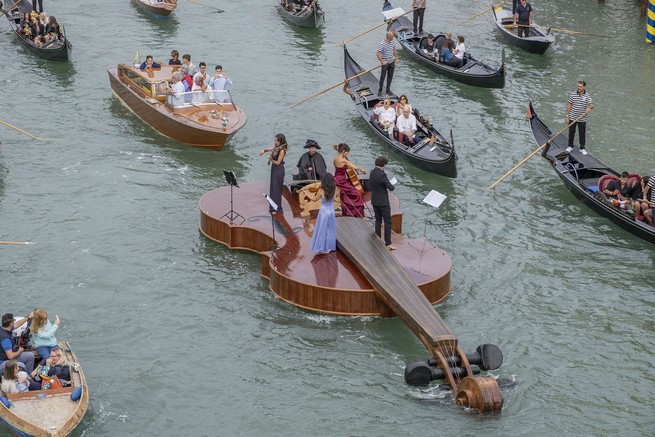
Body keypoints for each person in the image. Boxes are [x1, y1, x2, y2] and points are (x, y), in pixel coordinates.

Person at [306, 172, 337, 254]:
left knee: (322, 230)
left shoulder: (321, 190)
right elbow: (334, 198)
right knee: (330, 230)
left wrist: (307, 193)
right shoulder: (334, 188)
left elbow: (314, 199)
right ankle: (329, 247)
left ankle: (321, 247)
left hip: (323, 212)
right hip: (331, 211)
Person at [369, 156, 396, 249]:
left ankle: (377, 239)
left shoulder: (372, 172)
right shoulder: (382, 175)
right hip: (383, 202)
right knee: (387, 222)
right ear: (383, 164)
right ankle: (388, 243)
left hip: (374, 200)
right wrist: (391, 183)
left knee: (378, 220)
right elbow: (391, 188)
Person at [333, 143, 366, 218]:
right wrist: (362, 170)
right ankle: (356, 213)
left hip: (336, 178)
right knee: (357, 194)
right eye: (347, 152)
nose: (347, 154)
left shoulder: (335, 158)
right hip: (342, 180)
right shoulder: (344, 160)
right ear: (344, 151)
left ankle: (347, 211)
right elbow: (354, 167)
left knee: (345, 194)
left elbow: (336, 166)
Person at [259, 134, 288, 214]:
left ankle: (277, 208)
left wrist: (271, 159)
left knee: (277, 189)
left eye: (277, 141)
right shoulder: (277, 147)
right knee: (273, 188)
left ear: (281, 141)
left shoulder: (282, 150)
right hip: (274, 169)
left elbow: (278, 162)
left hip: (279, 170)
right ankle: (272, 206)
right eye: (275, 140)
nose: (275, 142)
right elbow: (269, 149)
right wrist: (263, 151)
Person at [565, 81, 594, 155]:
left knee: (582, 133)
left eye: (580, 86)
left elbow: (591, 105)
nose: (578, 88)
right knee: (571, 132)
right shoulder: (573, 94)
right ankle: (570, 146)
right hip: (572, 117)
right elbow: (569, 105)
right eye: (578, 86)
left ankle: (582, 148)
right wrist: (567, 116)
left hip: (582, 119)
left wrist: (589, 108)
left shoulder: (587, 96)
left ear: (584, 87)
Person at [376, 31, 400, 97]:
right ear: (388, 37)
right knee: (382, 77)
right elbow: (378, 53)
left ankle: (388, 90)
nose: (393, 38)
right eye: (392, 37)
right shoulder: (382, 44)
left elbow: (393, 50)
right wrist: (382, 61)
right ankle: (380, 90)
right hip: (385, 63)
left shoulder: (392, 42)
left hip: (392, 61)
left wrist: (396, 57)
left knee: (390, 76)